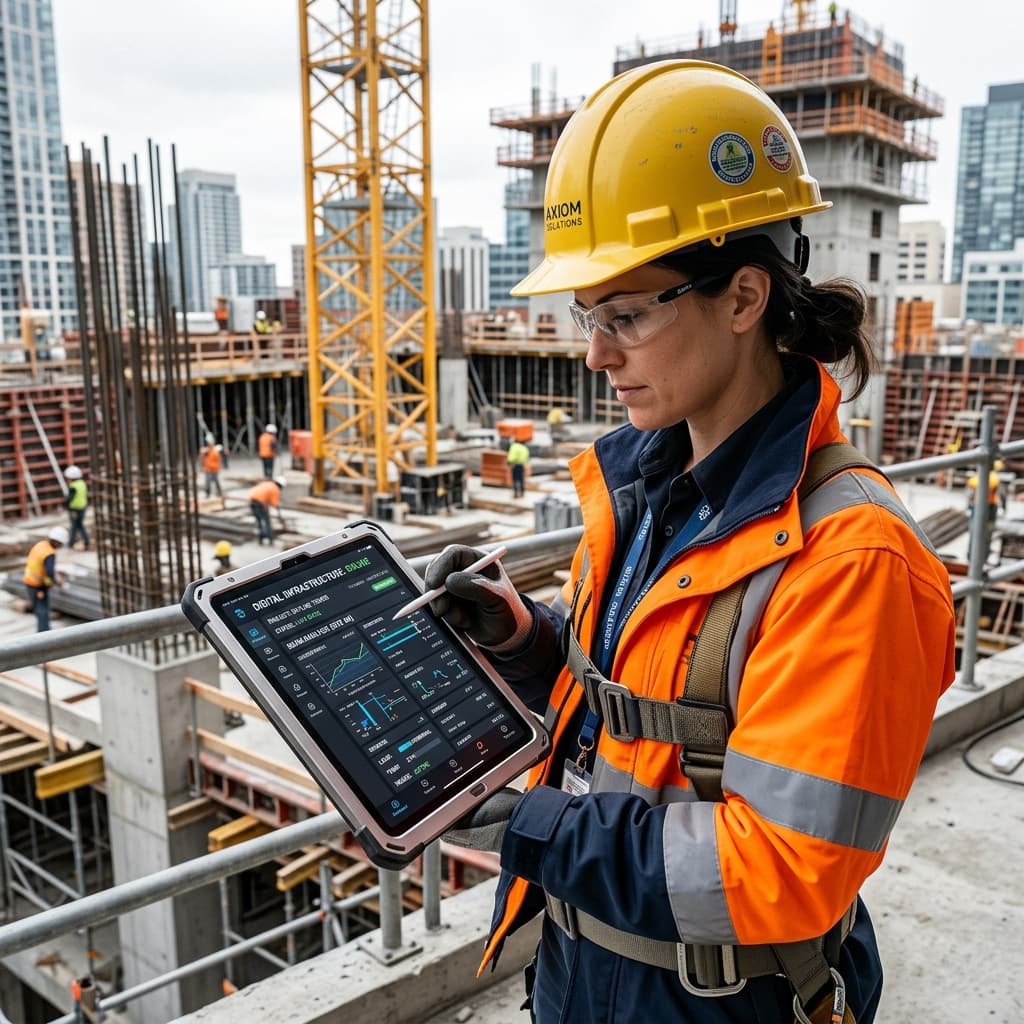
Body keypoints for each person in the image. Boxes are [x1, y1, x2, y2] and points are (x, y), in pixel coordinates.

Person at [422, 61, 955, 1024]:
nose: (597, 354)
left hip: (720, 1001)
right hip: (590, 972)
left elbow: (785, 868)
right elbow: (647, 709)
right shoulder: (649, 493)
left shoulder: (851, 562)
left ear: (744, 298)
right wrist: (525, 638)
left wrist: (534, 826)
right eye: (589, 317)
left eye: (625, 315)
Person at [23, 526, 69, 631]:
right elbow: (49, 573)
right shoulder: (49, 554)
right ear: (57, 542)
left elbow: (43, 566)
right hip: (38, 587)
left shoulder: (41, 545)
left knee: (39, 610)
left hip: (29, 581)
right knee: (43, 612)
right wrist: (52, 583)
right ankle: (44, 634)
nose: (61, 546)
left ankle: (43, 632)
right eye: (61, 544)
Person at [967, 460, 1003, 563]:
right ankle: (977, 558)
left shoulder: (978, 479)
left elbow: (970, 494)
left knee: (980, 532)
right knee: (981, 533)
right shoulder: (993, 478)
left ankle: (976, 557)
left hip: (986, 507)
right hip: (983, 507)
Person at [249, 477, 285, 545]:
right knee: (266, 521)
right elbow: (274, 503)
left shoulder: (267, 483)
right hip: (259, 504)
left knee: (259, 520)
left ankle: (261, 538)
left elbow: (265, 496)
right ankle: (269, 538)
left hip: (252, 501)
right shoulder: (275, 489)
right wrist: (278, 509)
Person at [64, 465, 89, 550]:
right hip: (83, 507)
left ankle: (71, 543)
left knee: (74, 526)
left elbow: (69, 498)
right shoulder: (82, 483)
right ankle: (86, 540)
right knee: (80, 524)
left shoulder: (73, 486)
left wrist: (66, 505)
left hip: (74, 509)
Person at [199, 434, 224, 500]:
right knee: (208, 482)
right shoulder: (206, 450)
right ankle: (208, 494)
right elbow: (202, 459)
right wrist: (203, 454)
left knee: (216, 482)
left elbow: (218, 459)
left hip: (214, 469)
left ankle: (219, 493)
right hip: (208, 469)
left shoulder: (215, 450)